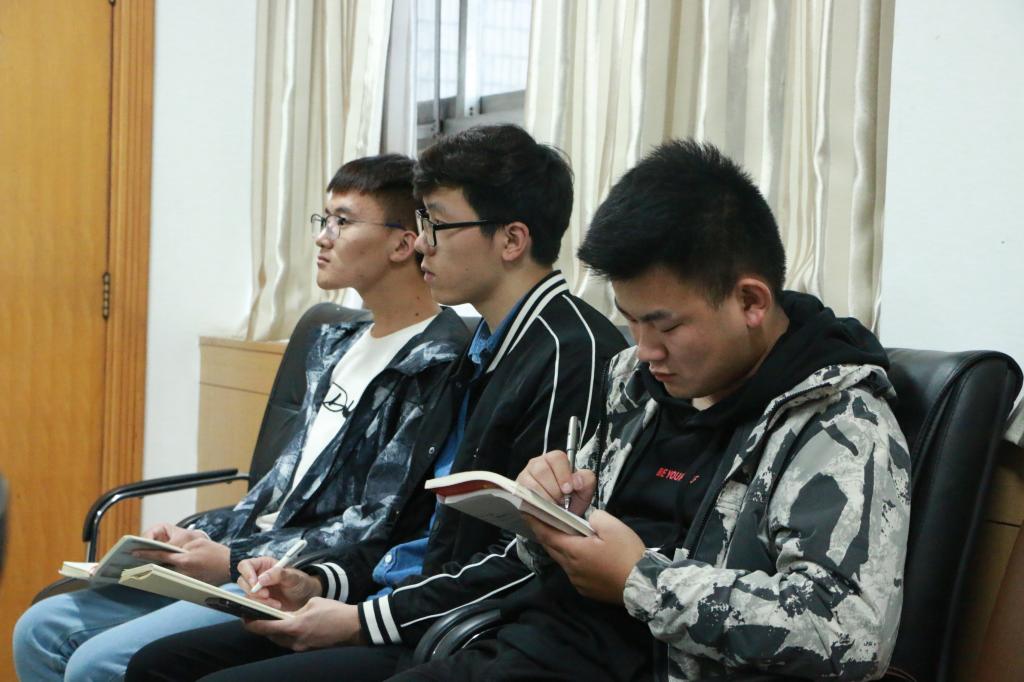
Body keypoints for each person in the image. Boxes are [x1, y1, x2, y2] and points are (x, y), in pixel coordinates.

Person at [123, 124, 627, 681]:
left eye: (438, 224)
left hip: (456, 631)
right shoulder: (482, 345)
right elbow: (409, 521)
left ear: (511, 240)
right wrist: (319, 581)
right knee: (157, 665)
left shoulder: (568, 352)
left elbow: (529, 557)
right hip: (397, 599)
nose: (424, 243)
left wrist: (362, 620)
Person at [13, 153, 470, 682]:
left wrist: (229, 559)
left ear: (403, 243)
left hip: (290, 574)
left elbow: (375, 523)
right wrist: (193, 538)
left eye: (342, 222)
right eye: (323, 219)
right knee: (39, 629)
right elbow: (278, 488)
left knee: (98, 662)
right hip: (247, 548)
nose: (322, 237)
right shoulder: (334, 342)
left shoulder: (436, 361)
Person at [509, 139, 911, 680]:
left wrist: (641, 581)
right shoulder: (633, 382)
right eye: (631, 320)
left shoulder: (838, 423)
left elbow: (849, 632)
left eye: (667, 325)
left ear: (750, 302)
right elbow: (561, 560)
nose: (645, 349)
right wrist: (552, 515)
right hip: (538, 641)